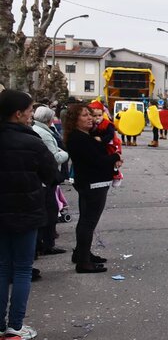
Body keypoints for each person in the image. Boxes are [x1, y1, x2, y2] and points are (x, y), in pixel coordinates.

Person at [0, 90, 59, 340]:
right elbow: (52, 175)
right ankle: (15, 327)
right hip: (26, 211)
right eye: (29, 110)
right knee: (22, 269)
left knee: (2, 268)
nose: (31, 114)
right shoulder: (32, 141)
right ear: (18, 113)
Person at [65, 103, 121, 273]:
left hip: (91, 182)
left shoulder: (83, 136)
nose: (90, 118)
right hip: (93, 184)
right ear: (74, 120)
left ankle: (82, 254)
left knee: (85, 220)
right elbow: (97, 161)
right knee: (88, 222)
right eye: (84, 115)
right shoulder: (79, 139)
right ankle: (83, 262)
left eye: (90, 114)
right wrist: (115, 157)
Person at [32, 105, 69, 256]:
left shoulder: (38, 129)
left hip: (43, 177)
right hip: (47, 177)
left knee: (49, 209)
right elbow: (54, 157)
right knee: (50, 210)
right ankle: (46, 244)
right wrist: (65, 153)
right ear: (49, 119)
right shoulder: (45, 134)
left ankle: (43, 243)